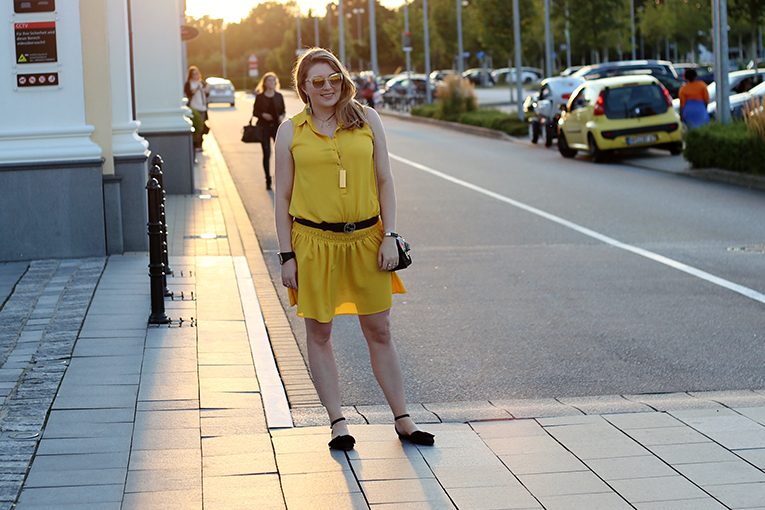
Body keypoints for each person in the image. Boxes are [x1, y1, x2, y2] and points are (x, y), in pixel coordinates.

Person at [273, 48, 434, 451]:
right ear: (304, 87)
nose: (328, 87)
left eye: (334, 79)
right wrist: (286, 255)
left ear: (343, 80)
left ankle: (403, 418)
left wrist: (390, 235)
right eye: (318, 81)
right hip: (313, 244)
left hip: (367, 240)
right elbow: (283, 198)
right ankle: (338, 423)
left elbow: (385, 180)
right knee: (320, 332)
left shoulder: (367, 119)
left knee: (379, 329)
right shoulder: (290, 132)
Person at [252, 72, 286, 190]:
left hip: (277, 127)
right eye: (269, 80)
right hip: (264, 128)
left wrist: (282, 117)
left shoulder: (279, 96)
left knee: (281, 153)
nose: (272, 82)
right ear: (265, 83)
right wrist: (263, 115)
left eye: (273, 80)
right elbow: (255, 112)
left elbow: (283, 110)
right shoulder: (260, 97)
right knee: (267, 153)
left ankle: (280, 178)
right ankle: (268, 179)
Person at [184, 66, 208, 150]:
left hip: (203, 107)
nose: (196, 75)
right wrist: (196, 88)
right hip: (194, 108)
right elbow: (189, 94)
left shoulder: (201, 83)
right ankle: (196, 145)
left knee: (202, 127)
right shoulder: (189, 84)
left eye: (197, 73)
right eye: (194, 74)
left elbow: (206, 94)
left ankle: (200, 144)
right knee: (197, 127)